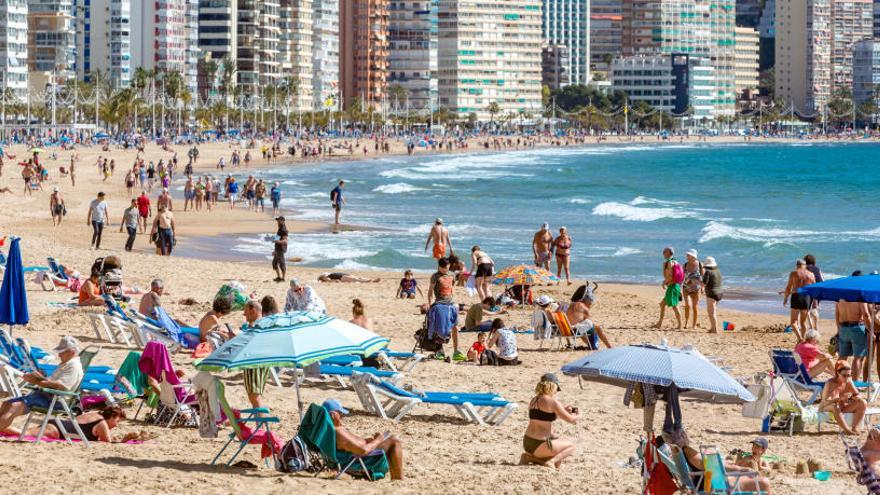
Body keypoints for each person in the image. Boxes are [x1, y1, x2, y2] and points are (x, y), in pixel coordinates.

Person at [0, 337, 83, 433]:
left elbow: (60, 386)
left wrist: (37, 381)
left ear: (71, 352)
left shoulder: (73, 366)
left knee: (14, 406)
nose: (59, 354)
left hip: (55, 401)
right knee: (7, 404)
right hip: (47, 396)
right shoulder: (67, 364)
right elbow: (56, 383)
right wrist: (41, 378)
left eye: (62, 352)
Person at [324, 399, 405, 480]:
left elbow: (349, 444)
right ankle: (398, 479)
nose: (342, 417)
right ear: (333, 415)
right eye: (340, 414)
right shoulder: (338, 432)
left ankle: (396, 479)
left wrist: (368, 440)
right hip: (356, 462)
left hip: (351, 457)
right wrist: (379, 440)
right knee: (395, 441)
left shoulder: (327, 430)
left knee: (390, 440)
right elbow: (363, 450)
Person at [521, 373, 579, 469]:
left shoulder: (534, 400)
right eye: (556, 389)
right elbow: (571, 419)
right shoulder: (551, 401)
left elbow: (542, 417)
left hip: (527, 442)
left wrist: (562, 410)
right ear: (552, 386)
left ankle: (529, 457)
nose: (556, 392)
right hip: (540, 444)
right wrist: (580, 414)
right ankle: (550, 461)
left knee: (558, 462)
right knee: (571, 447)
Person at [8, 406, 143, 443]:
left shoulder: (95, 413)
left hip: (59, 424)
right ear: (112, 416)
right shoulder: (102, 423)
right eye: (117, 421)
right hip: (59, 430)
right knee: (23, 433)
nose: (117, 425)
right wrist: (126, 438)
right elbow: (108, 442)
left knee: (24, 431)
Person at [836, 277, 871, 380]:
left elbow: (837, 314)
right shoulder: (859, 295)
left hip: (843, 327)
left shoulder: (840, 296)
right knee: (858, 357)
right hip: (857, 327)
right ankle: (854, 383)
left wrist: (839, 329)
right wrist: (869, 329)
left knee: (842, 356)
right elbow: (865, 314)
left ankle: (838, 380)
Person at [820, 360, 867, 435]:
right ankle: (847, 430)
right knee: (835, 406)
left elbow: (857, 395)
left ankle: (854, 428)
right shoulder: (830, 383)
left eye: (849, 375)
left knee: (863, 402)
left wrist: (853, 398)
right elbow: (825, 401)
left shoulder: (848, 381)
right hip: (827, 407)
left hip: (842, 408)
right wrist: (839, 399)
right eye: (844, 375)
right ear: (838, 373)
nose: (846, 377)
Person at [242, 300, 269, 409]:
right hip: (257, 362)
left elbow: (250, 343)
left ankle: (261, 424)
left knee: (254, 396)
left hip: (255, 362)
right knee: (253, 397)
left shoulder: (259, 325)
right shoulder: (263, 324)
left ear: (253, 311)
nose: (245, 316)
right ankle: (260, 424)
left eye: (246, 313)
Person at [783, 259, 816, 340]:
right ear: (805, 266)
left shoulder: (793, 273)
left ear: (797, 265)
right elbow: (815, 289)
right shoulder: (811, 274)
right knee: (803, 322)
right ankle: (803, 339)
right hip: (806, 298)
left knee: (793, 322)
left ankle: (800, 338)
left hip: (796, 297)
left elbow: (788, 288)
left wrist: (786, 298)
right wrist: (814, 302)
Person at [653, 247, 683, 330]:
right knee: (662, 304)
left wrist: (664, 282)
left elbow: (671, 275)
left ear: (669, 253)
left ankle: (680, 325)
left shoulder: (670, 262)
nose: (663, 253)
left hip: (672, 286)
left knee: (675, 306)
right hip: (674, 286)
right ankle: (659, 323)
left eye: (664, 251)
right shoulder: (675, 261)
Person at [682, 249, 704, 330]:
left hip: (696, 289)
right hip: (686, 288)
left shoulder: (700, 264)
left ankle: (694, 325)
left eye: (688, 255)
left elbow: (703, 277)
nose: (687, 256)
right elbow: (681, 277)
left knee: (695, 307)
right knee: (687, 305)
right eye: (687, 255)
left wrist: (703, 288)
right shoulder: (685, 265)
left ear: (693, 256)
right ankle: (686, 322)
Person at [702, 256, 723, 333]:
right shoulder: (718, 271)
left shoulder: (708, 272)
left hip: (712, 293)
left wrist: (695, 281)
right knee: (713, 311)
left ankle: (715, 330)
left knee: (711, 312)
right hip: (720, 293)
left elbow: (703, 283)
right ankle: (712, 328)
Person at [804, 254, 823, 330]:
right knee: (814, 308)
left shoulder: (805, 269)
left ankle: (811, 327)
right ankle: (816, 326)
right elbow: (822, 278)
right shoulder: (817, 268)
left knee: (807, 309)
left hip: (811, 289)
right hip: (820, 289)